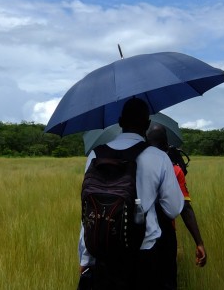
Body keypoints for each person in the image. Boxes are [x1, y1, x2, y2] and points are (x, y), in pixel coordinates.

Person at [78, 98, 185, 290]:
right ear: (147, 124)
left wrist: (85, 257)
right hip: (144, 255)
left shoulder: (95, 155)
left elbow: (88, 213)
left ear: (119, 122)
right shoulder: (159, 157)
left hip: (104, 255)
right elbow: (173, 209)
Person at [145, 124, 208, 284]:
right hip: (166, 234)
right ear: (166, 144)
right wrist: (199, 242)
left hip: (139, 235)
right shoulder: (175, 170)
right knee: (167, 280)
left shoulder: (135, 166)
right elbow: (185, 209)